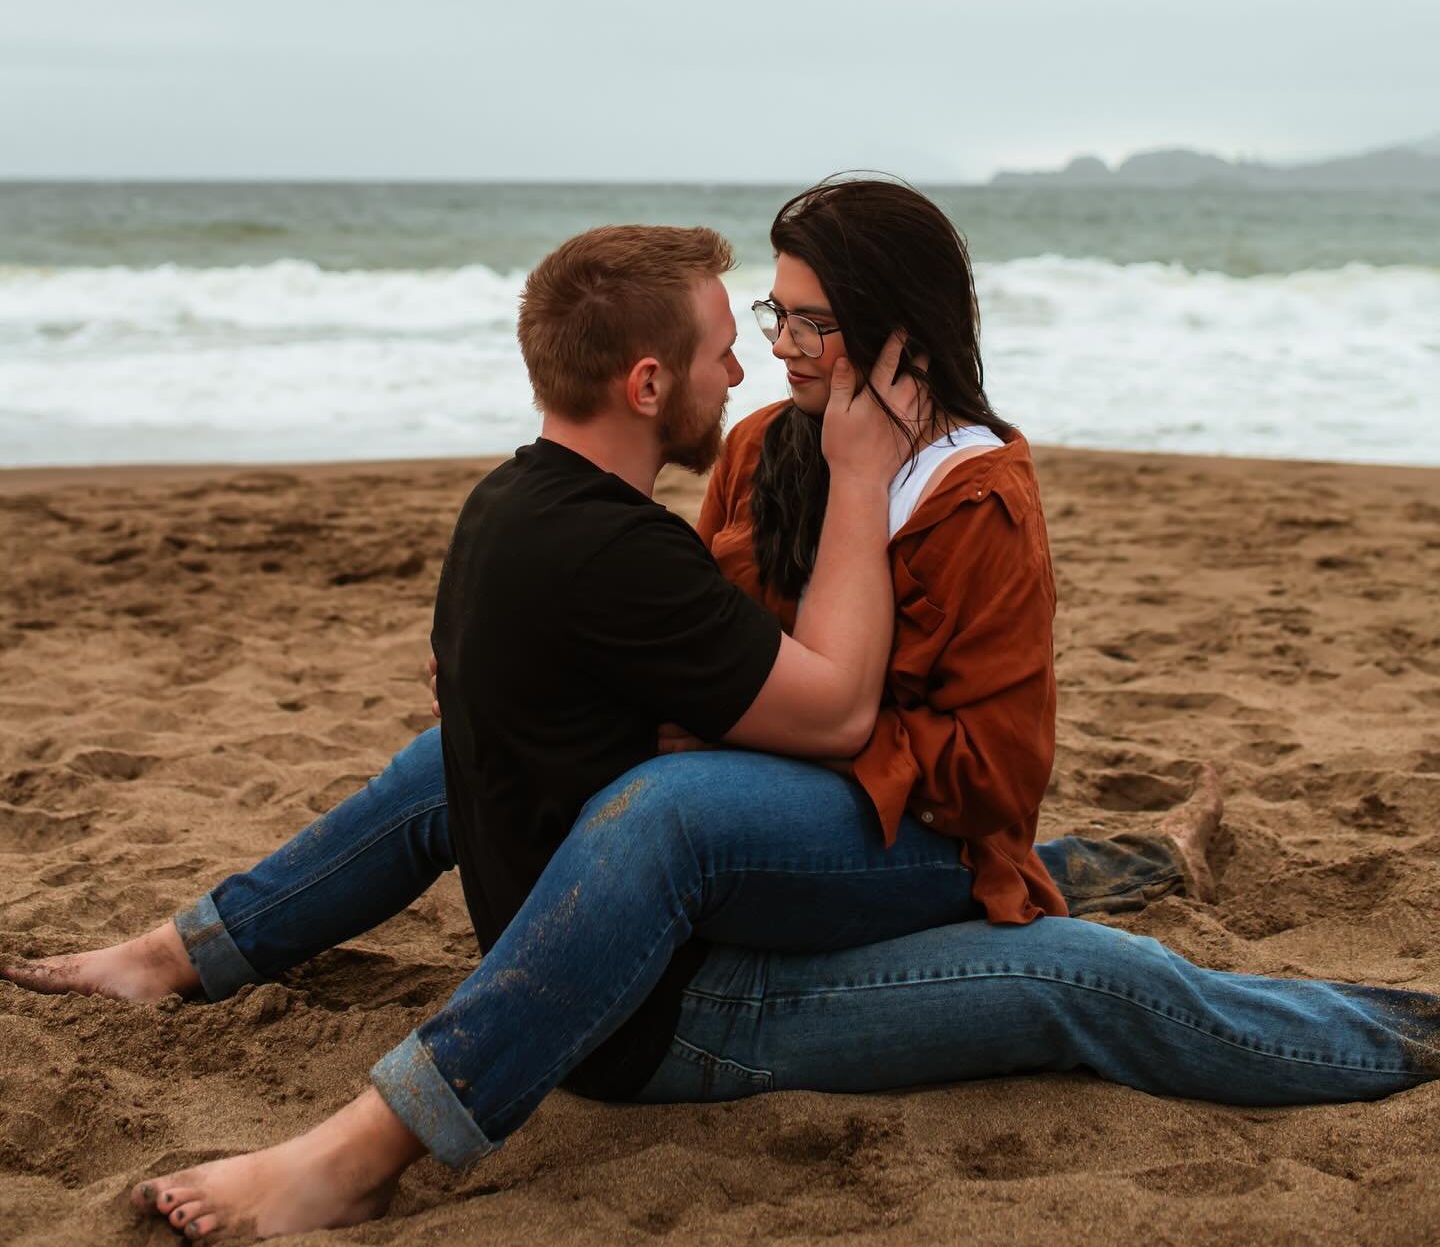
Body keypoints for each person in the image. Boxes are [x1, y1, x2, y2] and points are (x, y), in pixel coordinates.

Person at [5, 184, 1433, 1243]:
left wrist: (732, 725)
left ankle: (1402, 1028)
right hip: (782, 841)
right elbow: (713, 636)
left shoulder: (983, 496)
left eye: (808, 322)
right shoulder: (759, 444)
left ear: (892, 333)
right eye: (773, 316)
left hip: (921, 837)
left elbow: (989, 771)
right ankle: (192, 952)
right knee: (479, 754)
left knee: (1042, 956)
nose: (780, 348)